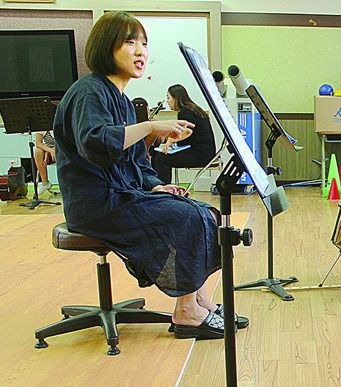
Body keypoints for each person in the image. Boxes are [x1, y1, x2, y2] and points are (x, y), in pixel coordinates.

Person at [53, 11, 247, 339]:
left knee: (205, 213)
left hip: (120, 196)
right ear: (106, 47)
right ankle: (186, 312)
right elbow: (95, 143)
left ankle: (197, 299)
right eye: (130, 42)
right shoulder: (89, 92)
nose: (141, 51)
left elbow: (138, 163)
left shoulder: (123, 102)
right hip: (96, 204)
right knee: (186, 219)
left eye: (144, 43)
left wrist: (157, 185)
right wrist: (151, 126)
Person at [152, 84, 216, 185]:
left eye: (168, 97)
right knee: (159, 155)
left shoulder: (186, 113)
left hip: (200, 154)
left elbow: (187, 133)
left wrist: (170, 140)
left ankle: (162, 192)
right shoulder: (193, 109)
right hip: (205, 152)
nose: (167, 101)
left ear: (176, 98)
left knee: (161, 158)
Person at [34, 130, 56, 195]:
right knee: (38, 152)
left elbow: (63, 142)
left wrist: (50, 152)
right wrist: (50, 151)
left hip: (61, 149)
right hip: (49, 150)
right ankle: (45, 182)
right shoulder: (42, 124)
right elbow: (38, 143)